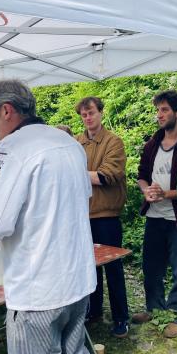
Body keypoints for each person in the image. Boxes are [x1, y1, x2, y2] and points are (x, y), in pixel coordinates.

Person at [0, 79, 96, 354]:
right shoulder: (69, 143)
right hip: (78, 279)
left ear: (8, 111)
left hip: (38, 288)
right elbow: (82, 198)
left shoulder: (12, 148)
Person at [134, 90, 177, 338]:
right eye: (158, 110)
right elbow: (141, 175)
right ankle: (154, 308)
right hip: (154, 217)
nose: (159, 115)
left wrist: (166, 194)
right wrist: (146, 190)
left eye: (164, 110)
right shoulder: (152, 144)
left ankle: (176, 314)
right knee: (152, 266)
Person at [75, 96, 129, 338]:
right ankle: (93, 311)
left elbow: (108, 175)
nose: (88, 118)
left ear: (100, 113)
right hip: (82, 217)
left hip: (107, 215)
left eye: (92, 113)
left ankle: (121, 318)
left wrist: (76, 172)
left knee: (113, 268)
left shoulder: (113, 142)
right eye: (84, 115)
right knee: (89, 268)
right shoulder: (75, 143)